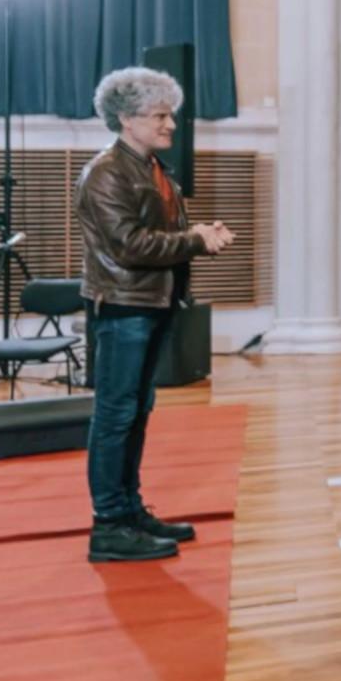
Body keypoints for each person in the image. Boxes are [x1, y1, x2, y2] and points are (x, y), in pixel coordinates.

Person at [76, 66, 234, 564]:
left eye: (170, 115)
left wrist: (197, 232)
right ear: (126, 118)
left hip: (147, 304)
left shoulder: (150, 168)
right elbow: (129, 244)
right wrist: (195, 240)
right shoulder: (106, 172)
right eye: (160, 116)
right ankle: (108, 525)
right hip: (124, 307)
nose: (171, 125)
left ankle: (128, 511)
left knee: (135, 413)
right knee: (116, 416)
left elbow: (153, 233)